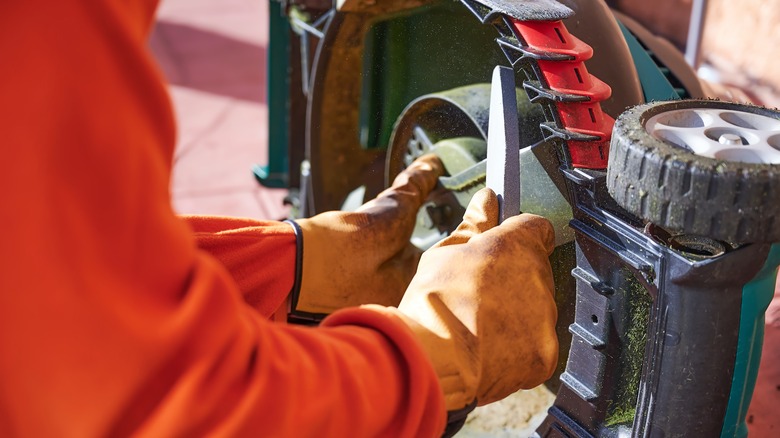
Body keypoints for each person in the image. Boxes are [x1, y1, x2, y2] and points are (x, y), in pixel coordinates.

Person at [0, 0, 558, 436]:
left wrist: (291, 264)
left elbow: (58, 280)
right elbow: (171, 411)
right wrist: (439, 355)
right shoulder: (46, 31)